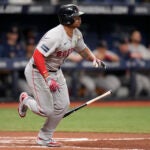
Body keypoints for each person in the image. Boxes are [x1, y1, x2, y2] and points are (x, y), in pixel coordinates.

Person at [18, 4, 106, 147]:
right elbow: (37, 55)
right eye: (76, 17)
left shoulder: (76, 33)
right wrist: (47, 78)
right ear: (67, 19)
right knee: (46, 110)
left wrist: (93, 58)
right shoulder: (54, 36)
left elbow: (82, 49)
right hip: (38, 71)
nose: (79, 19)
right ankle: (25, 100)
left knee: (63, 106)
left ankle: (44, 137)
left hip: (56, 71)